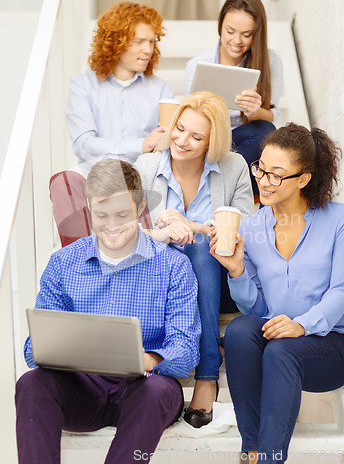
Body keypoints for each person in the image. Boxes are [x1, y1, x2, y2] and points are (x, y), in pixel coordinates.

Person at [15, 159, 201, 464]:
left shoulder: (173, 266)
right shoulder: (63, 263)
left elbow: (186, 350)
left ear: (141, 207)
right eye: (101, 215)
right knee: (31, 384)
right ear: (88, 208)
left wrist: (150, 359)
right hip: (83, 389)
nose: (111, 226)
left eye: (121, 215)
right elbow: (33, 350)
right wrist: (59, 349)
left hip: (145, 389)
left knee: (154, 391)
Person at [210, 123, 344, 463]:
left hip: (332, 346)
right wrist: (238, 270)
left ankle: (270, 458)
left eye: (276, 175)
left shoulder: (338, 220)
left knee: (281, 350)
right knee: (240, 330)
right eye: (261, 168)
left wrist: (303, 324)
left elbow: (342, 290)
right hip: (279, 341)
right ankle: (253, 449)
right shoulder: (252, 227)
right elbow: (257, 307)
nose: (263, 180)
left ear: (303, 179)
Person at [134, 91, 254, 428]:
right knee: (186, 252)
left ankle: (206, 373)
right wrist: (164, 233)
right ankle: (202, 365)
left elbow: (249, 227)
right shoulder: (146, 166)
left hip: (216, 276)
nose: (181, 140)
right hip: (160, 275)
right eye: (179, 128)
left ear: (211, 143)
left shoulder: (233, 167)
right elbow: (125, 231)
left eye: (195, 136)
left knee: (200, 247)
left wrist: (196, 227)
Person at [184, 0, 283, 195]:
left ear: (257, 33)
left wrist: (254, 110)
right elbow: (190, 119)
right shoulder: (198, 65)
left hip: (242, 146)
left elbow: (272, 117)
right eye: (230, 31)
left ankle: (215, 190)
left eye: (247, 35)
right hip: (208, 142)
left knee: (264, 130)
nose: (237, 41)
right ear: (220, 25)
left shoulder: (270, 61)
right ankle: (227, 190)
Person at [66, 1, 174, 164]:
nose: (148, 50)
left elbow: (164, 146)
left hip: (144, 179)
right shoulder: (82, 85)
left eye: (151, 42)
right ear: (115, 44)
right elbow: (84, 145)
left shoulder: (162, 89)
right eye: (139, 42)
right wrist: (140, 145)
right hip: (97, 178)